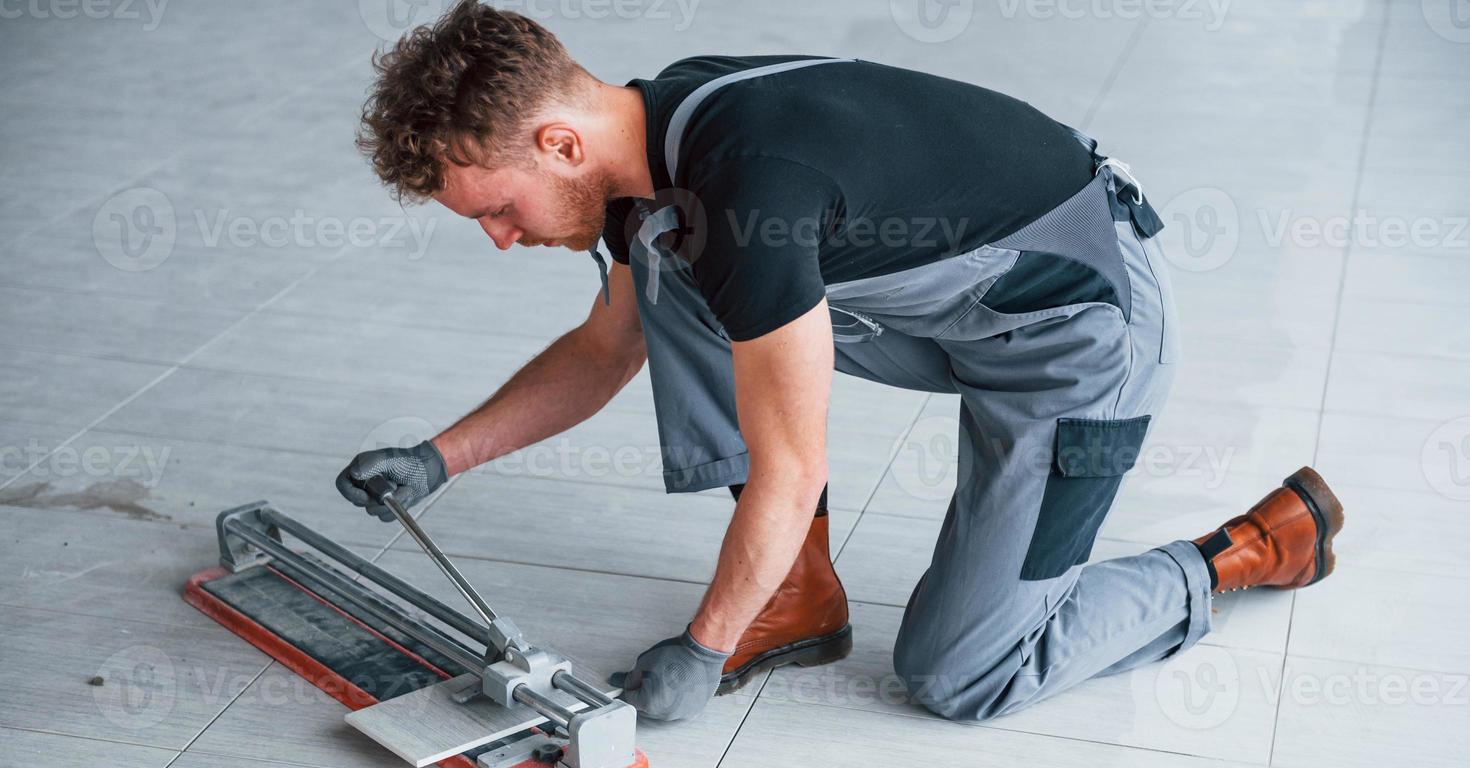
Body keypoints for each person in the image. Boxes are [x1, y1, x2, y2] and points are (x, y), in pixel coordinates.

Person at [337, 1, 1344, 724]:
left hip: (1084, 337)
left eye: (498, 211)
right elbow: (608, 348)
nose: (502, 240)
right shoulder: (658, 147)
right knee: (665, 263)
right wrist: (440, 457)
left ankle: (1240, 553)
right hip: (969, 304)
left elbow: (793, 464)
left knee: (961, 672)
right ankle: (801, 589)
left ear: (559, 140)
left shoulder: (744, 195)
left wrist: (703, 644)